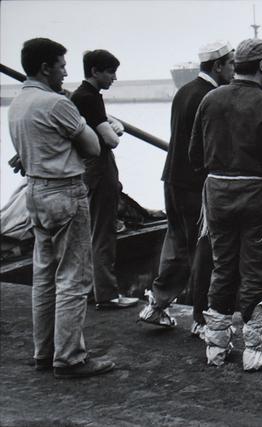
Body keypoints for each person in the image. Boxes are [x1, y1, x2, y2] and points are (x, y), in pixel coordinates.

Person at [189, 38, 262, 371]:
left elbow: (195, 156)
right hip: (259, 196)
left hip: (217, 195)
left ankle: (216, 345)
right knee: (257, 270)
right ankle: (255, 347)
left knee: (222, 266)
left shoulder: (210, 100)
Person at [8, 38, 114, 378]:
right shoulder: (56, 104)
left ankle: (44, 353)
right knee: (73, 277)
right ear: (46, 68)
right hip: (65, 192)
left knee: (44, 277)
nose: (66, 72)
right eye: (62, 66)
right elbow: (94, 146)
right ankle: (69, 357)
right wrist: (75, 120)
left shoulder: (17, 104)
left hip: (35, 192)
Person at [138, 41, 235, 333]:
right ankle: (201, 319)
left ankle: (157, 304)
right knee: (204, 250)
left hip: (172, 179)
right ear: (218, 65)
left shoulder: (183, 91)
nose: (234, 70)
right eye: (231, 64)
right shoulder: (212, 97)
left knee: (176, 242)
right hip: (195, 184)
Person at [71, 49, 138, 310]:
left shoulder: (80, 96)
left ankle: (92, 290)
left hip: (88, 169)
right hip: (99, 168)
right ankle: (107, 295)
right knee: (103, 232)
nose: (114, 77)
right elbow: (111, 140)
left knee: (91, 231)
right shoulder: (89, 97)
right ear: (95, 71)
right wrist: (116, 129)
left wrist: (109, 123)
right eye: (110, 72)